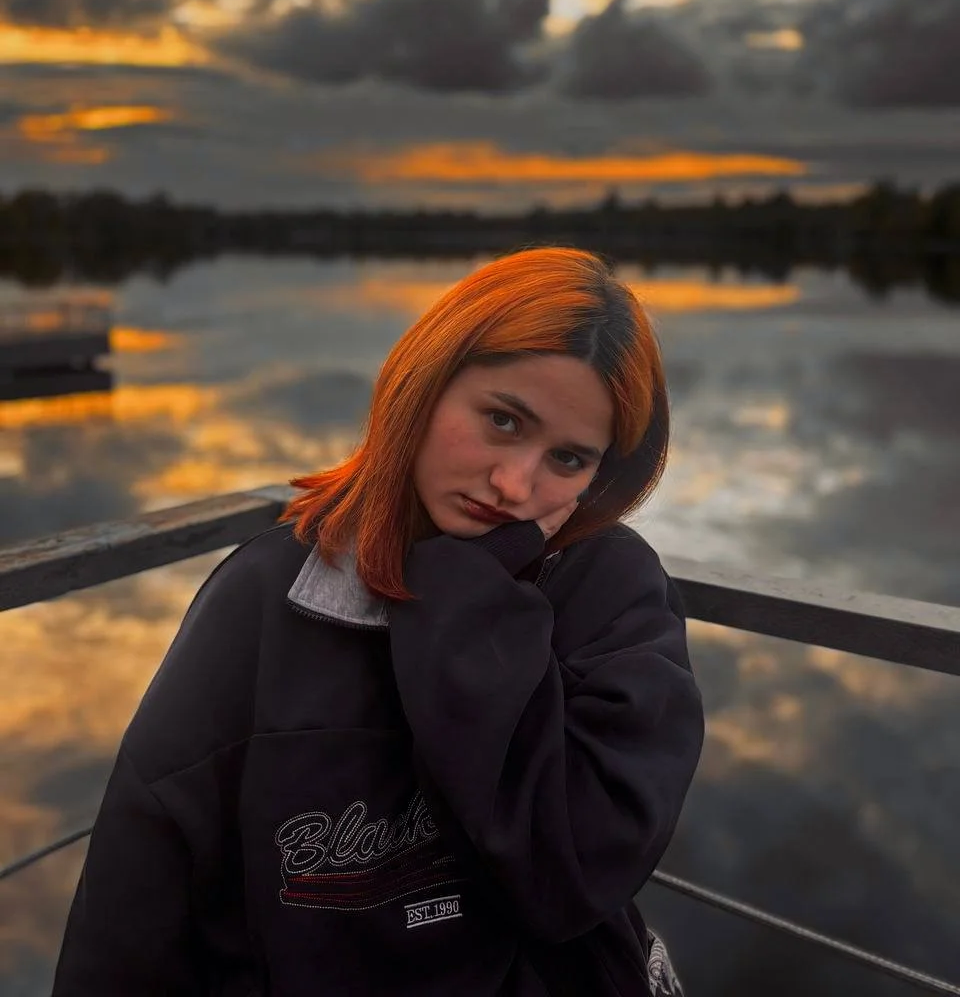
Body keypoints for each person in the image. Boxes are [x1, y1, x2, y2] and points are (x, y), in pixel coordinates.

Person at [51, 246, 704, 996]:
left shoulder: (609, 590)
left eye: (566, 459)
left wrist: (469, 596)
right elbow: (137, 895)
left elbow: (572, 875)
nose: (512, 484)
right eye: (501, 420)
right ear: (425, 383)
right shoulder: (266, 598)